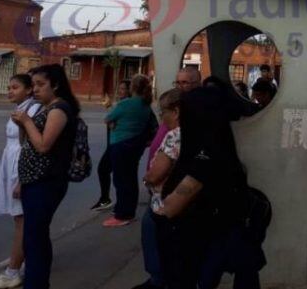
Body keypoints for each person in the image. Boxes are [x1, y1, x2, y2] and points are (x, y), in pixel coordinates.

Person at [154, 88, 264, 289]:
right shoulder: (217, 146)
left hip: (198, 250)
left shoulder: (204, 159)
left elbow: (171, 207)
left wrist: (160, 201)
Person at [11, 64, 79, 289]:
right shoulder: (45, 107)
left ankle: (36, 283)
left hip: (47, 182)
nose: (35, 90)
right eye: (34, 85)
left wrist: (27, 122)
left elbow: (43, 146)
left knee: (35, 238)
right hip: (34, 180)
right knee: (34, 236)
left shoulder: (59, 109)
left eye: (41, 85)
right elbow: (27, 142)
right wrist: (22, 124)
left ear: (56, 85)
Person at [0, 75, 42, 289]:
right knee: (19, 218)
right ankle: (25, 260)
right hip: (11, 163)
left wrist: (21, 180)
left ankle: (12, 272)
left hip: (19, 167)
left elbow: (29, 147)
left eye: (15, 87)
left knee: (22, 220)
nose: (9, 91)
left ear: (29, 90)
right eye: (8, 87)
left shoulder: (32, 110)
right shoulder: (22, 108)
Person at [132, 89, 183, 289]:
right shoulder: (192, 131)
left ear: (176, 112)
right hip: (172, 202)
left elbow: (156, 174)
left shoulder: (176, 135)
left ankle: (158, 281)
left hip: (163, 203)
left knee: (156, 244)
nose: (162, 117)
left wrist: (147, 179)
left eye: (164, 112)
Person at [104, 74, 154, 227]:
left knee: (121, 180)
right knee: (130, 178)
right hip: (136, 144)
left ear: (133, 87)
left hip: (120, 143)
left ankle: (122, 214)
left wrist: (113, 124)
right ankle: (128, 211)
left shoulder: (126, 104)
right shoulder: (146, 105)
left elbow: (108, 118)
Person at [91, 79, 131, 212]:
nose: (120, 91)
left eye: (123, 89)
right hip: (113, 144)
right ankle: (109, 200)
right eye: (119, 89)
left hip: (117, 144)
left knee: (116, 175)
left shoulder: (126, 105)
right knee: (109, 171)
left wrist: (110, 118)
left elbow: (112, 123)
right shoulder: (122, 104)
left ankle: (117, 204)